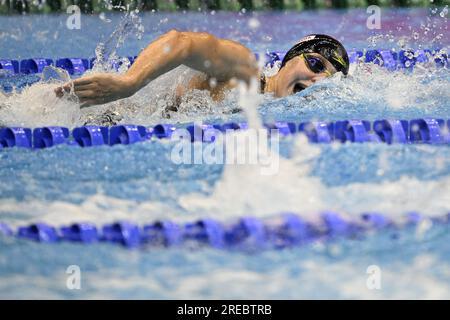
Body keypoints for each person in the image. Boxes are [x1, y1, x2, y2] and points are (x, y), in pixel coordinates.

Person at [55, 30, 349, 108]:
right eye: (314, 63)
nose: (316, 79)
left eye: (326, 78)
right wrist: (129, 83)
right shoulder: (245, 72)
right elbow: (181, 43)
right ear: (289, 60)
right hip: (102, 113)